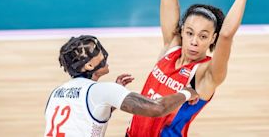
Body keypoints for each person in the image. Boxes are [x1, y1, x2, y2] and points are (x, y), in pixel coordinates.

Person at [126, 0, 269, 136]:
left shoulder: (205, 75)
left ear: (212, 38)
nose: (194, 41)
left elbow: (226, 34)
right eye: (190, 33)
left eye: (203, 36)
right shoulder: (172, 48)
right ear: (182, 31)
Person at [44, 35, 199, 137]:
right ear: (90, 65)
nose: (101, 52)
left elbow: (84, 118)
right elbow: (156, 109)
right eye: (95, 51)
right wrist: (186, 93)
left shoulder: (56, 93)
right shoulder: (102, 90)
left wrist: (111, 101)